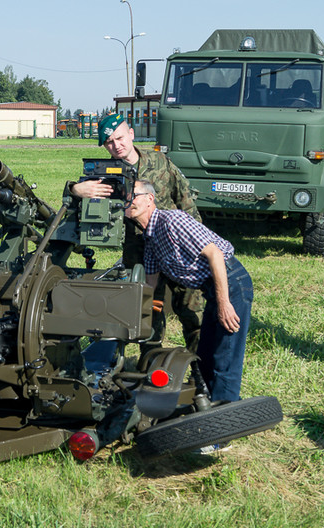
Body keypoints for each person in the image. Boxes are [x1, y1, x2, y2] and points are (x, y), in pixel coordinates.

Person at [69, 113, 205, 356]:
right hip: (139, 253)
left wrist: (195, 242)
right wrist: (75, 189)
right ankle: (151, 368)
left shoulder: (159, 161)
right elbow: (71, 207)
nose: (116, 145)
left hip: (175, 247)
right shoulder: (103, 174)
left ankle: (203, 368)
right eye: (109, 142)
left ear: (131, 134)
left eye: (119, 138)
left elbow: (185, 199)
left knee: (193, 311)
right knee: (147, 315)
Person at [125, 179, 252, 403]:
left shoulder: (173, 221)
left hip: (230, 282)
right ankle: (205, 403)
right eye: (126, 196)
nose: (129, 201)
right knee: (205, 352)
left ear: (150, 199)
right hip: (211, 288)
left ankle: (223, 418)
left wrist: (224, 303)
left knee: (225, 354)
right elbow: (150, 285)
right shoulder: (150, 238)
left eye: (134, 196)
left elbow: (215, 255)